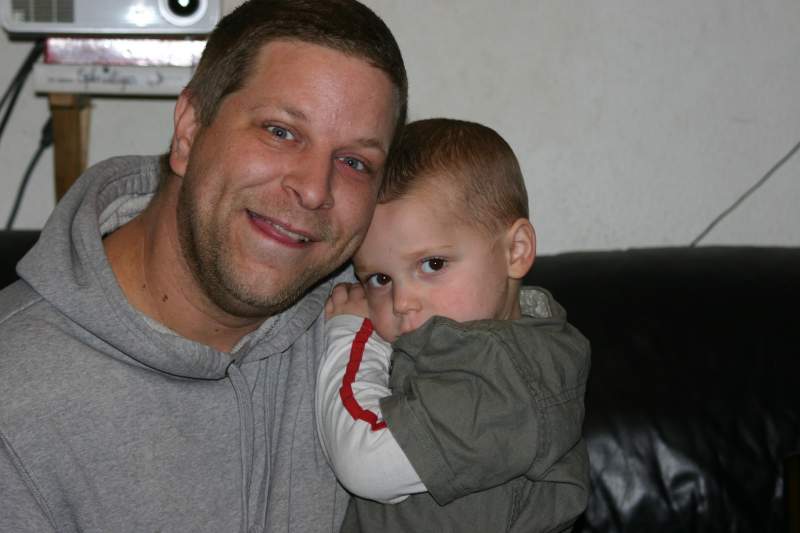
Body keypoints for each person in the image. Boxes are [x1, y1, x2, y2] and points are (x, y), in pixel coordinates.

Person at [0, 0, 407, 531]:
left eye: (355, 162)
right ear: (190, 131)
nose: (313, 189)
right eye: (280, 131)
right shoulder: (16, 401)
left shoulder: (387, 321)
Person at [316, 118, 591, 532]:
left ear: (515, 251)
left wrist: (351, 335)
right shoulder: (480, 345)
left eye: (433, 264)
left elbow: (366, 461)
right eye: (380, 279)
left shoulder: (506, 375)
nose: (402, 301)